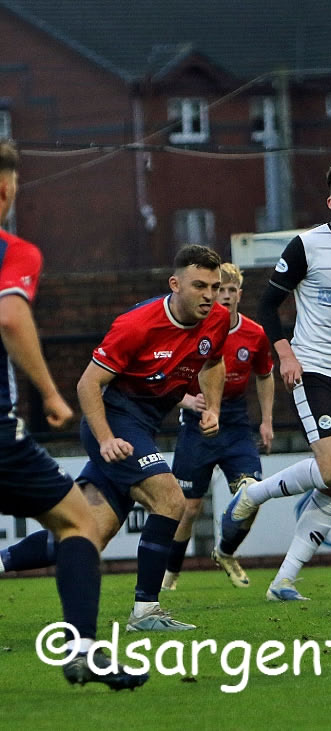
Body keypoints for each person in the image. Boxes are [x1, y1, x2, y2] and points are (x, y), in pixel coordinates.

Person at [0, 244, 229, 632]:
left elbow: (214, 362)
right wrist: (106, 440)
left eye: (214, 286)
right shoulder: (137, 324)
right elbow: (88, 383)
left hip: (142, 427)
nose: (209, 295)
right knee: (171, 499)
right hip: (113, 421)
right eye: (199, 286)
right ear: (175, 284)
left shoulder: (218, 319)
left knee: (87, 532)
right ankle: (146, 611)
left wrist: (214, 409)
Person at [218, 158, 331, 601]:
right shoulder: (306, 245)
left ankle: (284, 581)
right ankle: (253, 495)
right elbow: (267, 306)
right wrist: (285, 354)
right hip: (312, 369)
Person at [0, 140, 146, 688]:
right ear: (5, 190)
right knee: (78, 521)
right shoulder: (13, 251)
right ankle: (84, 650)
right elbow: (11, 318)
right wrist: (51, 394)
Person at [162, 262, 274, 591]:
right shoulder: (194, 328)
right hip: (197, 423)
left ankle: (225, 552)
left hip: (235, 422)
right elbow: (166, 373)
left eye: (229, 290)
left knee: (253, 493)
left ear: (239, 294)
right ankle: (170, 573)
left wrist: (267, 421)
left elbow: (265, 375)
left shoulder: (255, 333)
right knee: (188, 507)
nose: (223, 296)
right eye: (217, 289)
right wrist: (186, 401)